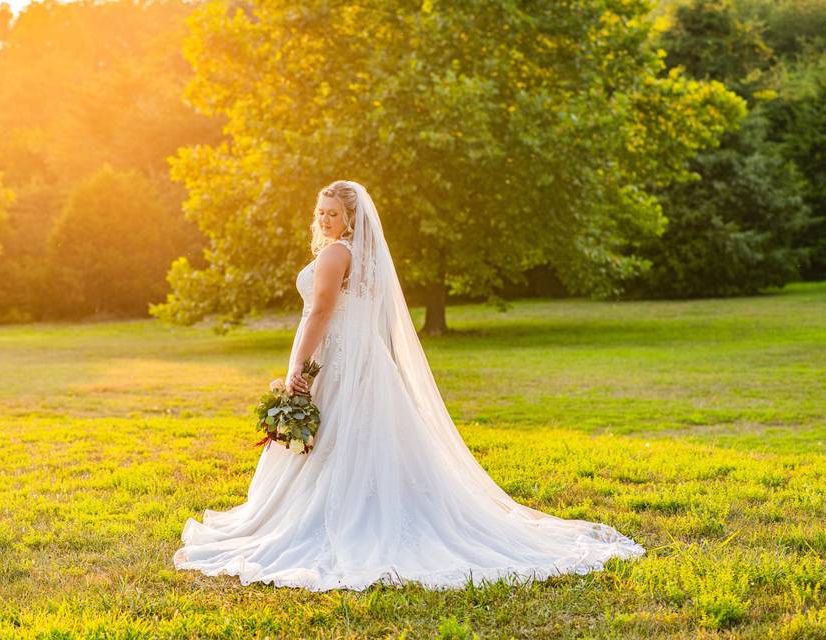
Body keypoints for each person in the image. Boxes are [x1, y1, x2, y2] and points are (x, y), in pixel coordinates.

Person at [173, 180, 646, 591]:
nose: (324, 219)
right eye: (320, 212)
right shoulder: (358, 256)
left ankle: (350, 522)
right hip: (359, 359)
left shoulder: (339, 253)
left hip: (338, 359)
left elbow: (320, 312)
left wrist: (298, 364)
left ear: (351, 218)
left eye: (333, 213)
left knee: (338, 437)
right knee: (359, 437)